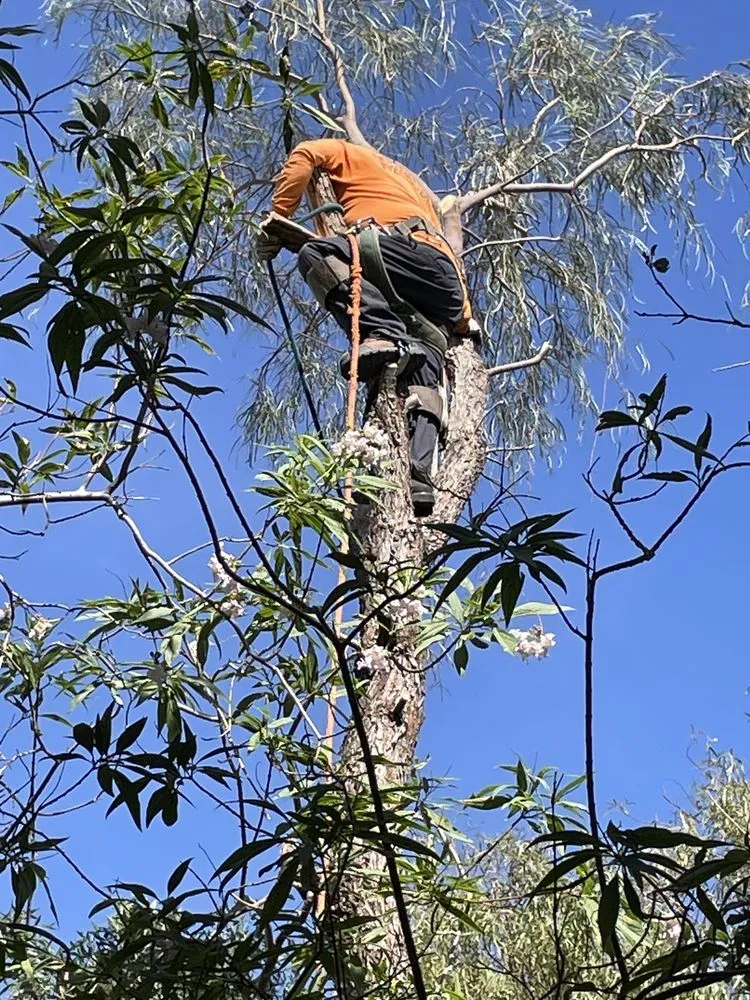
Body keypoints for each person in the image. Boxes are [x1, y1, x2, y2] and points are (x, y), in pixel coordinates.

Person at [257, 138, 474, 515]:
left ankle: (381, 331)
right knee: (425, 359)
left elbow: (306, 154)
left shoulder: (350, 153)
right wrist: (462, 320)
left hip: (396, 251)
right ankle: (419, 472)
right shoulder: (413, 188)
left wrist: (277, 221)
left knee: (316, 255)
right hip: (443, 284)